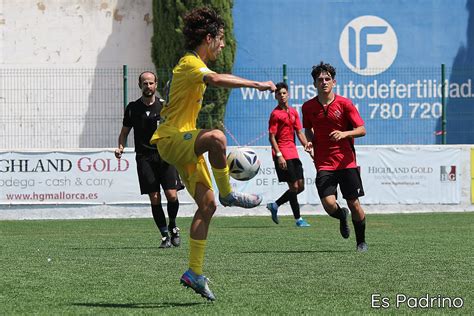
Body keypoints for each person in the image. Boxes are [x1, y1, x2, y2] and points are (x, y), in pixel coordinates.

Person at [150, 7, 276, 301]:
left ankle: (193, 272)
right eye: (221, 39)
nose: (223, 45)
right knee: (217, 137)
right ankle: (229, 194)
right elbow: (216, 80)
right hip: (170, 139)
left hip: (183, 145)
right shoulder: (190, 63)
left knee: (207, 207)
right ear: (208, 38)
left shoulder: (195, 66)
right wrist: (257, 85)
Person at [302, 61, 368, 252]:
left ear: (334, 82)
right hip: (324, 163)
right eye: (320, 79)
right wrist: (310, 141)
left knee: (354, 203)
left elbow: (362, 130)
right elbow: (308, 129)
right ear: (314, 84)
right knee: (329, 204)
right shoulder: (308, 107)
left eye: (327, 79)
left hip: (346, 161)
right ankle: (341, 216)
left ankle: (361, 242)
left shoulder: (345, 104)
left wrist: (344, 134)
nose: (324, 82)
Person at [115, 71, 183, 249]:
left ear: (156, 85)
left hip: (166, 155)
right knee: (154, 197)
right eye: (145, 83)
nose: (148, 86)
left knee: (172, 195)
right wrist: (120, 147)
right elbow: (124, 133)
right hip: (144, 158)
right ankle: (164, 235)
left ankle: (173, 225)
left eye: (151, 83)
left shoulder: (164, 107)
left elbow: (176, 128)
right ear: (140, 85)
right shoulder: (132, 108)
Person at [266, 82, 312, 227]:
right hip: (282, 154)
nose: (282, 96)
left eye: (284, 93)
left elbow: (299, 132)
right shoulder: (275, 114)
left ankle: (275, 204)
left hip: (294, 153)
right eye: (279, 94)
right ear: (276, 97)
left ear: (288, 94)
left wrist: (307, 146)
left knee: (301, 186)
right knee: (294, 187)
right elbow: (271, 136)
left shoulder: (293, 112)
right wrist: (279, 155)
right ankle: (298, 219)